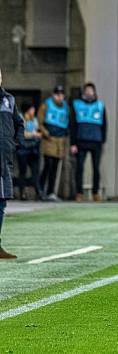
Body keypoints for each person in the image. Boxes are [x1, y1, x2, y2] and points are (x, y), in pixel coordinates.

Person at [0, 67, 24, 259]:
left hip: (4, 158)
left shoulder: (9, 100)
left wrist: (16, 143)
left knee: (1, 202)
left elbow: (19, 123)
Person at [70, 83, 107, 202]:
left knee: (96, 168)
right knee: (79, 168)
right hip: (81, 141)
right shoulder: (77, 105)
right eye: (87, 90)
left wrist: (103, 140)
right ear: (84, 92)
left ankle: (95, 192)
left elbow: (105, 125)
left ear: (94, 92)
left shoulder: (100, 106)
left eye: (91, 90)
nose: (89, 93)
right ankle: (79, 193)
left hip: (96, 141)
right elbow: (73, 125)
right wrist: (73, 143)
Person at [38, 85, 70, 201]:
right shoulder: (46, 105)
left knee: (55, 167)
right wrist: (46, 133)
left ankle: (51, 191)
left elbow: (66, 121)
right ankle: (41, 190)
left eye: (61, 95)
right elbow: (40, 122)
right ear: (53, 95)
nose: (59, 97)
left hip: (60, 141)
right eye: (57, 94)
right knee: (48, 165)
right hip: (49, 139)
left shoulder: (65, 107)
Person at [16, 103, 43, 200]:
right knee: (23, 172)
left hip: (33, 149)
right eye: (32, 109)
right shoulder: (21, 118)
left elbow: (38, 131)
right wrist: (33, 135)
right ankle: (22, 193)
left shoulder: (34, 120)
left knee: (35, 172)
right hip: (23, 149)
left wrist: (35, 135)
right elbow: (21, 133)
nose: (33, 111)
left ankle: (38, 192)